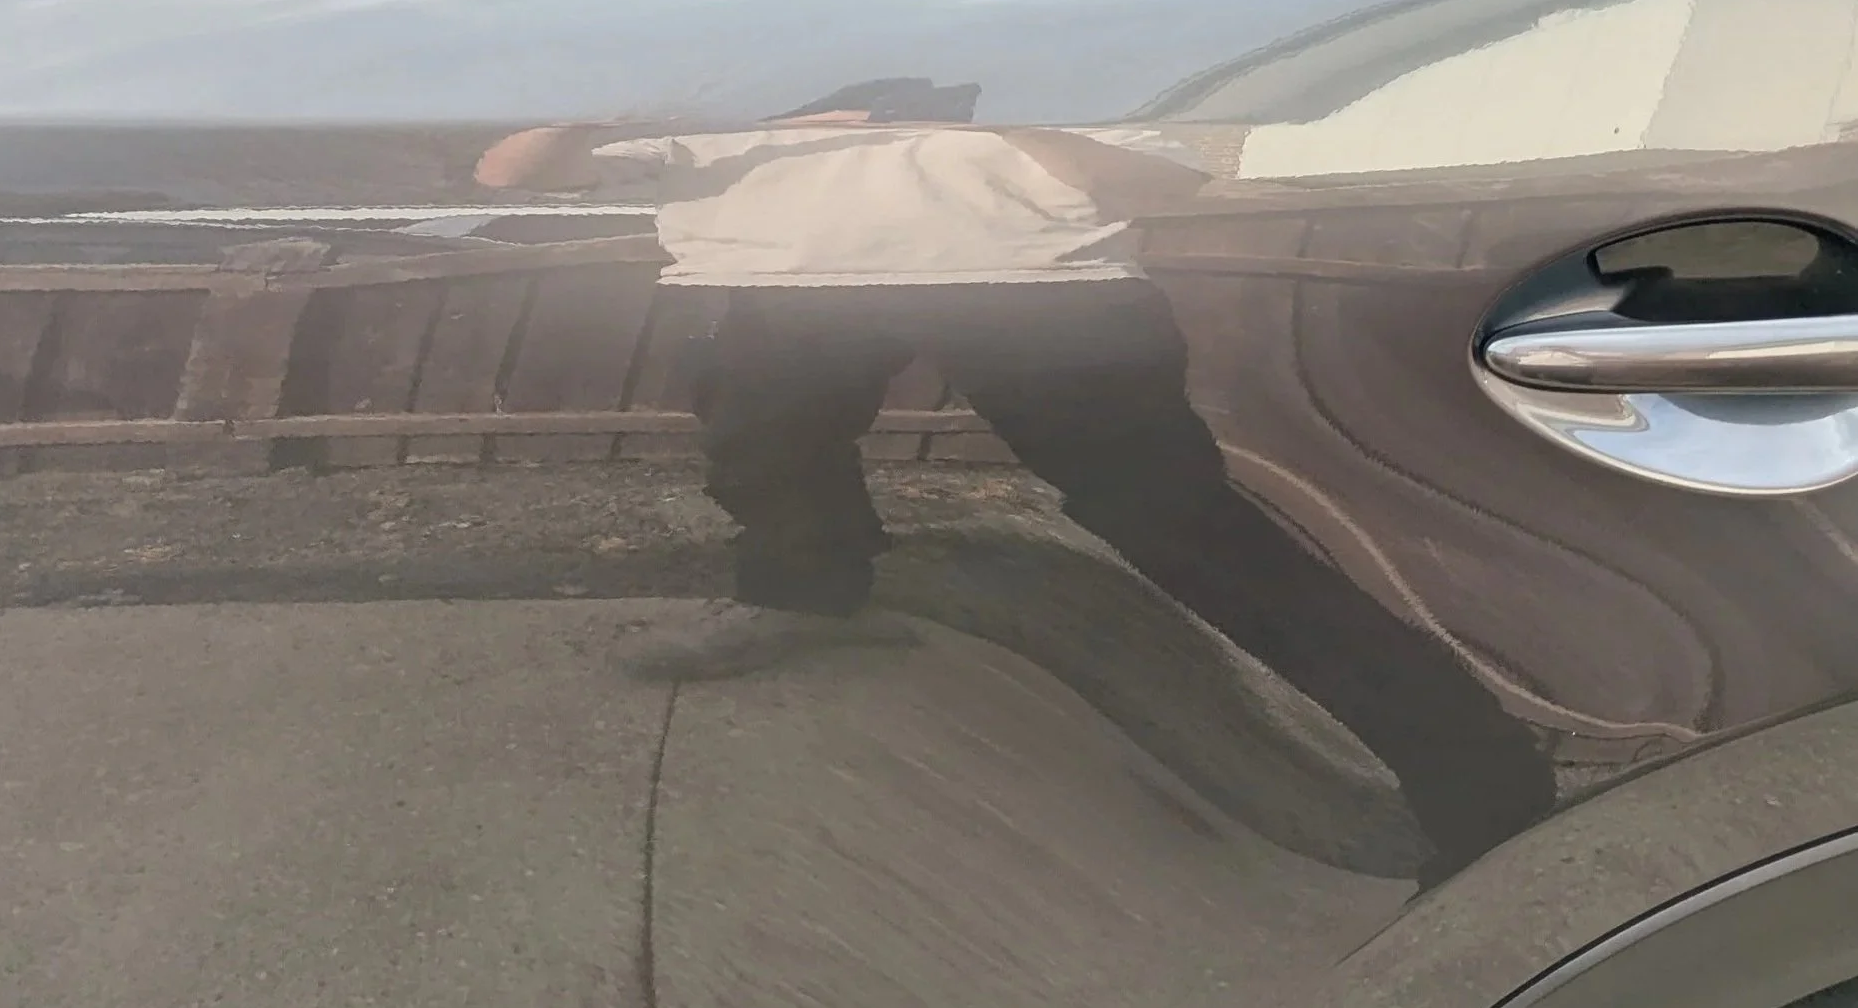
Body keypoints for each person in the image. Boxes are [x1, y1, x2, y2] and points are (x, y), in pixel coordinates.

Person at [475, 86, 1559, 882]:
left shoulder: (1050, 7)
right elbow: (512, 171)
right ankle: (806, 596)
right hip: (772, 282)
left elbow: (1155, 173)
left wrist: (983, 90)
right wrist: (679, 75)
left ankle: (1483, 787)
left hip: (1037, 286)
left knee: (1184, 530)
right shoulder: (741, 42)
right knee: (763, 443)